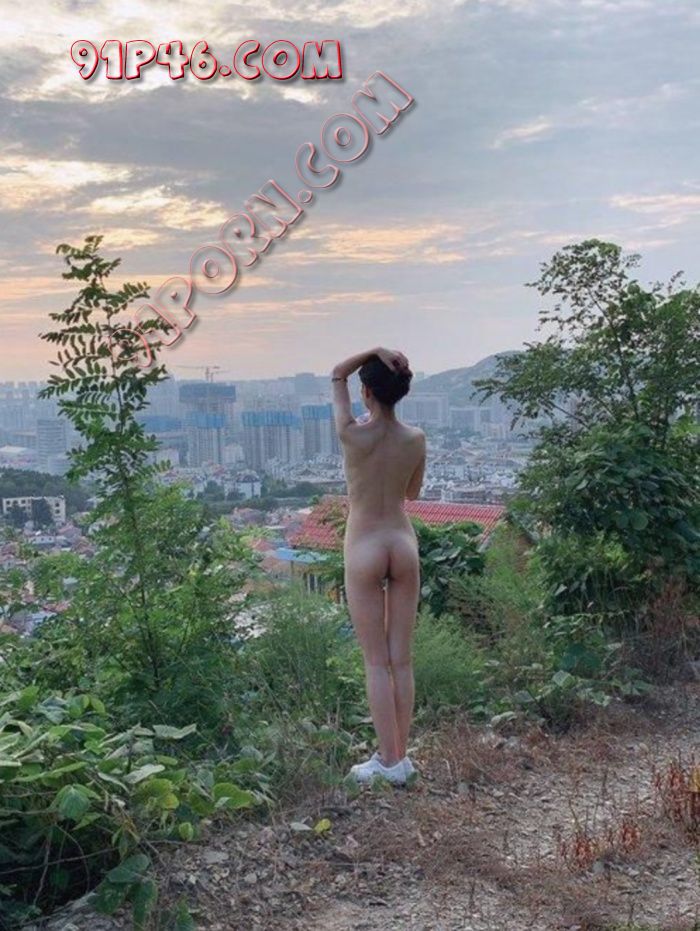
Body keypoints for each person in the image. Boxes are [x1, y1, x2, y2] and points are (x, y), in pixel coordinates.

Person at [331, 347, 426, 785]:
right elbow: (413, 493)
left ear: (365, 392)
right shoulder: (416, 439)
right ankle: (399, 758)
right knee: (400, 660)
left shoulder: (352, 434)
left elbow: (337, 374)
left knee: (375, 662)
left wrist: (373, 351)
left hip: (364, 545)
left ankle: (388, 762)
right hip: (402, 543)